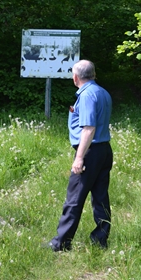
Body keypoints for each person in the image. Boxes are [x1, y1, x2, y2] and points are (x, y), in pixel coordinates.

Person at [48, 60, 113, 251]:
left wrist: (79, 157)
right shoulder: (103, 92)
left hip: (90, 151)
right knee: (101, 197)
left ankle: (61, 244)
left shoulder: (86, 96)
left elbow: (88, 128)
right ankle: (100, 241)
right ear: (93, 74)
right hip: (104, 150)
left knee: (74, 199)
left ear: (75, 77)